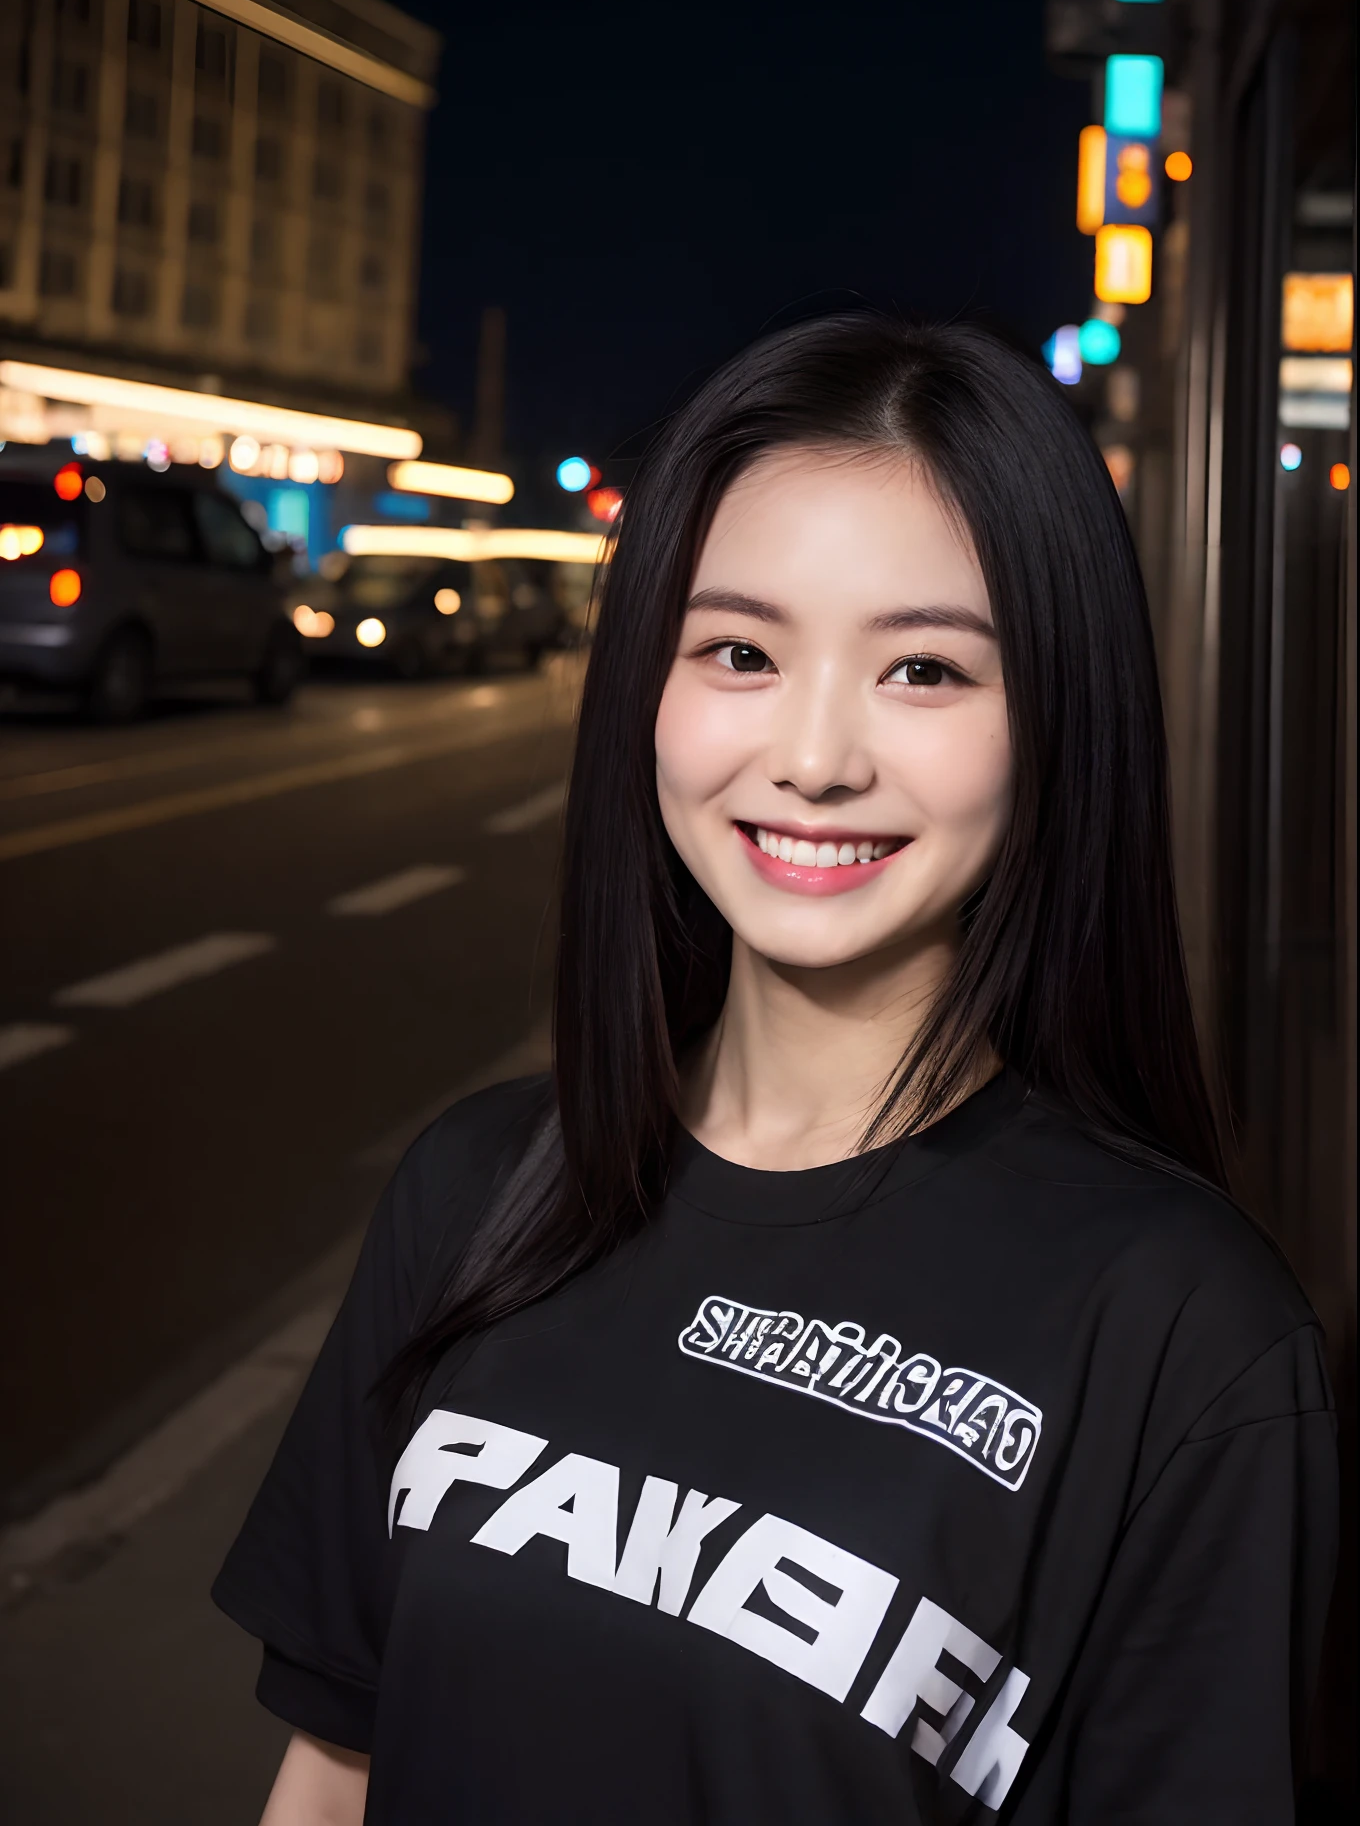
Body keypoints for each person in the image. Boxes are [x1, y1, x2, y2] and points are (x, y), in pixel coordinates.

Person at [215, 314, 1337, 1824]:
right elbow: (335, 1766)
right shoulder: (481, 1189)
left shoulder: (1184, 1332)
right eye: (739, 651)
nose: (814, 757)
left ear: (1059, 720)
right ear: (644, 690)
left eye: (926, 671)